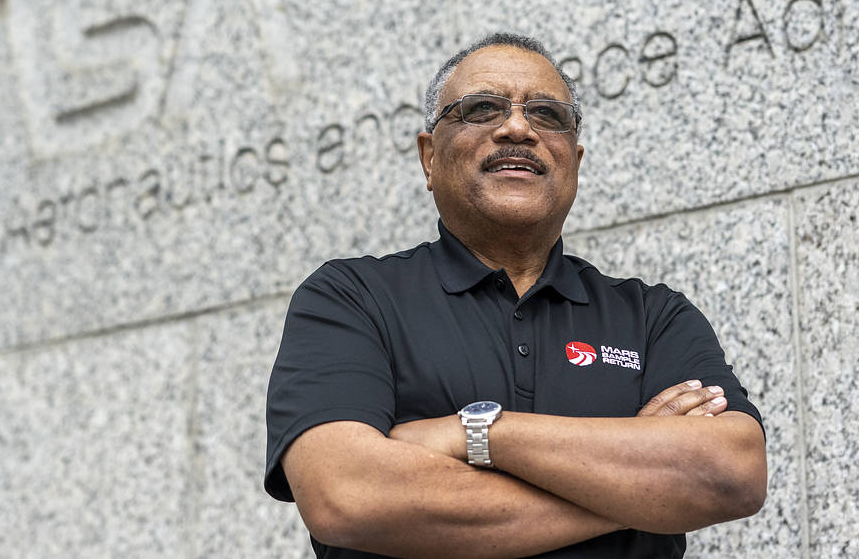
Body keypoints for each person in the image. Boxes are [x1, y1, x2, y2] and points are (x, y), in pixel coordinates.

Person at [264, 33, 767, 558]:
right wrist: (641, 485)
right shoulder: (351, 299)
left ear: (573, 160)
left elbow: (734, 473)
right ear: (429, 157)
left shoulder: (654, 317)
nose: (518, 127)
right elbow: (347, 495)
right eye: (481, 109)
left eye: (548, 115)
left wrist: (476, 433)